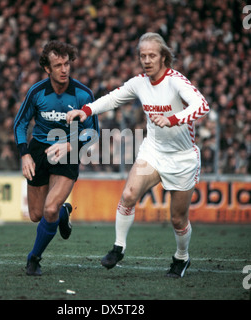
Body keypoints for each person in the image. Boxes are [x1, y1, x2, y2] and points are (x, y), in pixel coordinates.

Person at [67, 32, 210, 278]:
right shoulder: (139, 83)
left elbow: (202, 105)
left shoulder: (176, 81)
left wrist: (172, 118)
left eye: (152, 55)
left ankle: (181, 257)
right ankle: (118, 247)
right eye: (142, 55)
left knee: (177, 220)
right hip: (153, 151)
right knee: (129, 194)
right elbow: (113, 98)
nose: (146, 60)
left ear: (164, 57)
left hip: (183, 158)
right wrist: (87, 110)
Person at [14, 40, 99, 276]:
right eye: (58, 65)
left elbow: (94, 132)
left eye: (67, 64)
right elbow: (20, 123)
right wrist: (25, 154)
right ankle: (64, 213)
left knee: (49, 210)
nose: (64, 69)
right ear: (47, 69)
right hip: (40, 150)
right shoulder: (37, 92)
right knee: (36, 215)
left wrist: (71, 144)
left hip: (68, 151)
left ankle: (34, 258)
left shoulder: (83, 94)